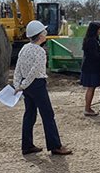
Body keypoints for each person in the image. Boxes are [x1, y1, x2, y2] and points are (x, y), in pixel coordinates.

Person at [13, 20, 72, 155]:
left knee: (30, 114)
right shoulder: (40, 51)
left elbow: (18, 68)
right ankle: (55, 146)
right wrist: (23, 85)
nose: (45, 35)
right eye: (44, 33)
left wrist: (18, 84)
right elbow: (34, 72)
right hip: (37, 85)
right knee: (48, 115)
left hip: (26, 86)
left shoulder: (24, 48)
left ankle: (27, 145)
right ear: (40, 36)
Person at [81, 22, 100, 117]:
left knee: (92, 88)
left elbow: (98, 52)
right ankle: (87, 109)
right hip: (90, 69)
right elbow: (94, 56)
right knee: (91, 88)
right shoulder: (91, 41)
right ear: (95, 30)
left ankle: (88, 108)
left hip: (93, 68)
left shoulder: (95, 39)